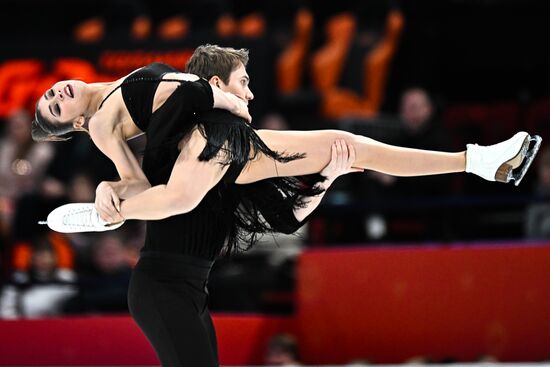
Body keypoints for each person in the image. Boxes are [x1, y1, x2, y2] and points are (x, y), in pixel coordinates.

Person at [33, 45, 540, 366]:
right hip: (161, 283)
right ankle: (100, 213)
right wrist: (112, 199)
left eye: (52, 94)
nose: (250, 90)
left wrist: (328, 175)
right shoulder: (139, 127)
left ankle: (479, 161)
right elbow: (162, 181)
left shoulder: (224, 146)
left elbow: (286, 216)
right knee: (173, 194)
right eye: (242, 82)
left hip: (185, 282)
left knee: (349, 143)